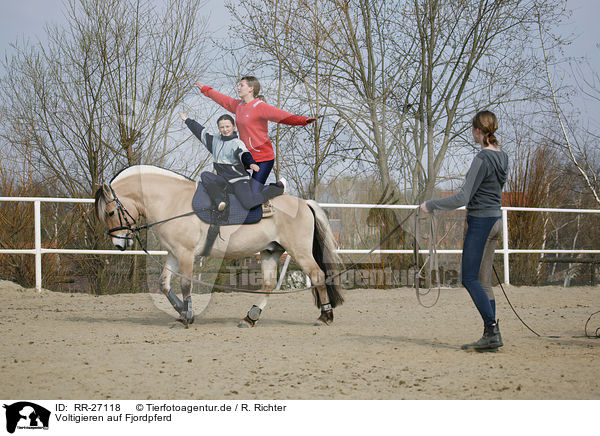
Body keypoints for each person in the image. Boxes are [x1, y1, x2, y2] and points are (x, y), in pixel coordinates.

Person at [420, 110, 508, 352]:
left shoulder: (482, 159)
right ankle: (490, 334)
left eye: (473, 129)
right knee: (484, 281)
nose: (472, 133)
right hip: (496, 221)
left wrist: (431, 204)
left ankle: (491, 329)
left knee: (468, 278)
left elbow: (463, 196)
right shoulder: (503, 157)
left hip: (481, 223)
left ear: (478, 131)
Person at [194, 76, 316, 192]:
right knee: (234, 188)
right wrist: (206, 90)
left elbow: (282, 116)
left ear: (251, 88)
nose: (238, 88)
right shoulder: (238, 106)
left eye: (242, 85)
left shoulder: (260, 107)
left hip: (263, 158)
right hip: (246, 157)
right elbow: (222, 99)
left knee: (252, 193)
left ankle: (278, 187)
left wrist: (303, 120)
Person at [179, 112, 285, 212]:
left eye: (227, 126)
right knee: (205, 176)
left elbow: (243, 154)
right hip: (223, 180)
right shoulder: (214, 140)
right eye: (222, 127)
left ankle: (276, 189)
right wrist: (187, 120)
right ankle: (221, 201)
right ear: (219, 128)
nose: (225, 130)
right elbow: (200, 131)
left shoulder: (237, 143)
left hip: (238, 180)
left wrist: (251, 163)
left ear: (233, 127)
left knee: (249, 203)